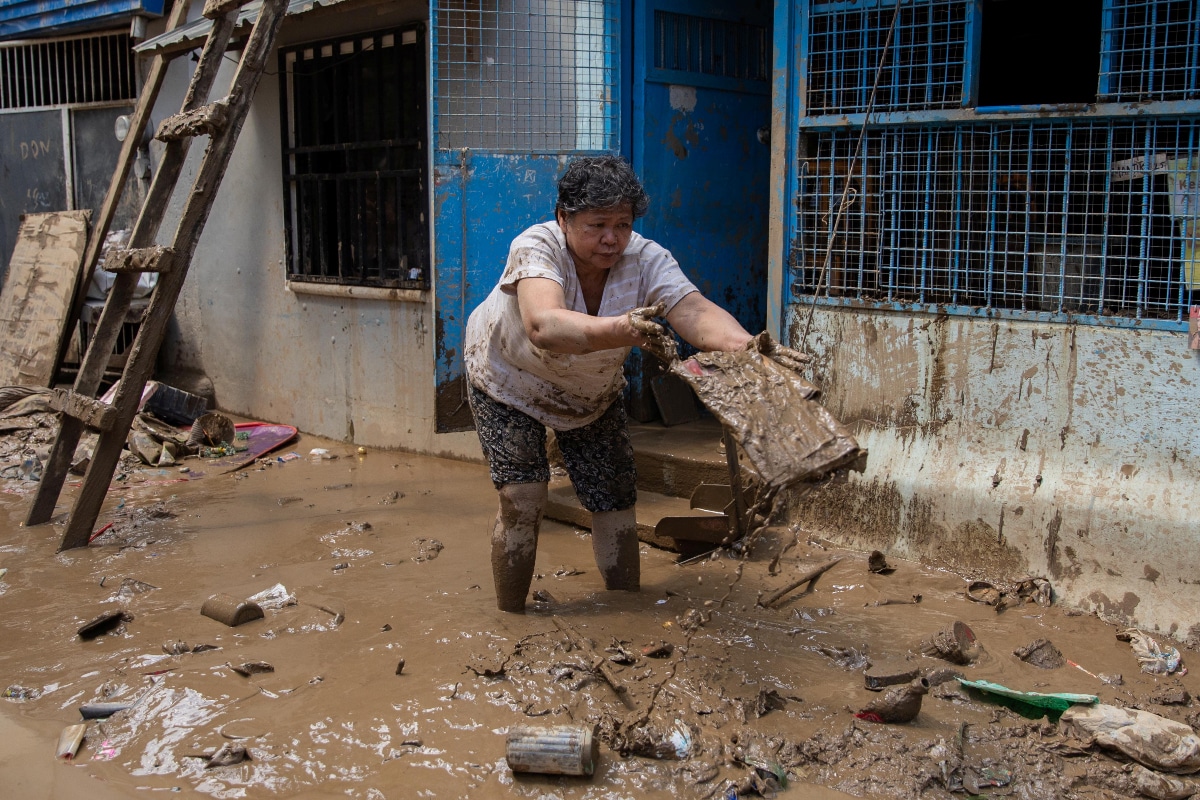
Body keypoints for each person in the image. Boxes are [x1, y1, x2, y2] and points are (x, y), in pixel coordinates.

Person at [464, 155, 796, 613]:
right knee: (523, 495)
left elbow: (693, 311)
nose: (611, 238)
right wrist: (625, 330)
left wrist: (747, 346)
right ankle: (512, 616)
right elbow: (543, 324)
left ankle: (625, 610)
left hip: (590, 390)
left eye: (622, 224)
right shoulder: (536, 245)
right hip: (507, 377)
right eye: (597, 224)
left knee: (615, 500)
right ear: (563, 218)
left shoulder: (646, 258)